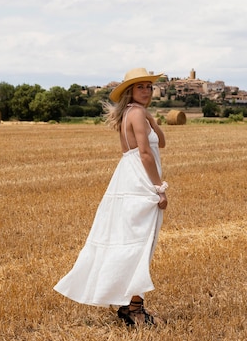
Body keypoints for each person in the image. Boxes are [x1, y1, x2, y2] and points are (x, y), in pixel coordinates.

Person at [54, 67, 169, 327]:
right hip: (140, 181)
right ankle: (135, 310)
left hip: (128, 178)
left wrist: (153, 120)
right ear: (130, 91)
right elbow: (146, 154)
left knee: (132, 242)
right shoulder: (136, 112)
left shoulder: (135, 113)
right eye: (141, 87)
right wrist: (158, 188)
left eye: (149, 87)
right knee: (140, 244)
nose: (147, 91)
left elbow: (160, 143)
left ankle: (131, 304)